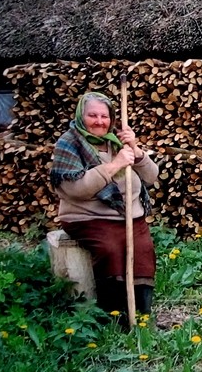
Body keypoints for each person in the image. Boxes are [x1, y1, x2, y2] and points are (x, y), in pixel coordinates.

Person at [49, 91, 159, 318]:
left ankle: (141, 313)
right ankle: (114, 313)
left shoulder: (117, 142)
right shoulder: (69, 144)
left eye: (104, 116)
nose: (99, 121)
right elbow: (75, 189)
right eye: (93, 115)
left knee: (144, 250)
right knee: (111, 250)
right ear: (81, 115)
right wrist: (114, 165)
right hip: (88, 217)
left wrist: (136, 151)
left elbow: (151, 177)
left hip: (129, 215)